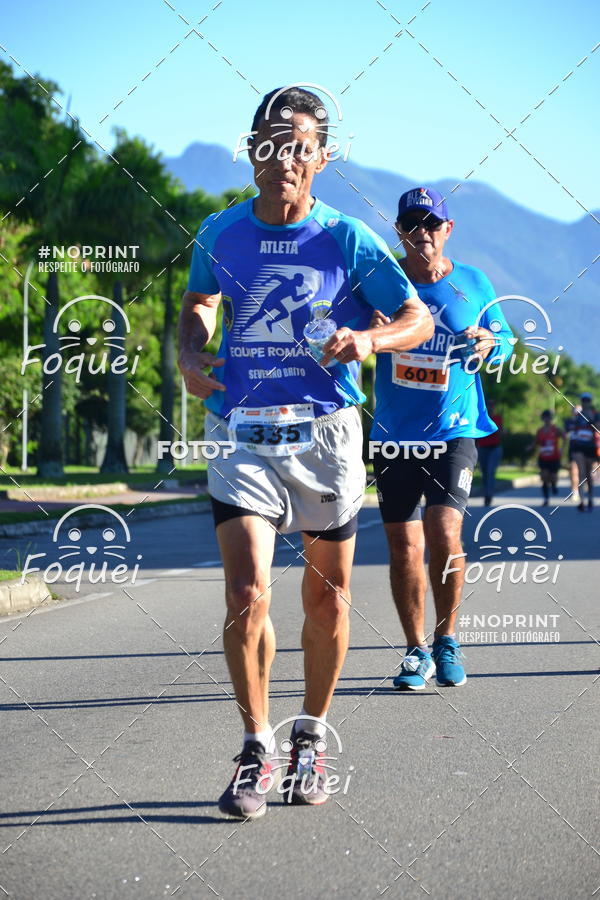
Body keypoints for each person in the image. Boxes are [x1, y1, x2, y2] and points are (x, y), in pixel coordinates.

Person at [178, 88, 433, 818]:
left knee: (324, 599)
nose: (284, 158)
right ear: (252, 148)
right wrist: (192, 354)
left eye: (300, 146)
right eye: (271, 142)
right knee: (244, 592)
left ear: (321, 156)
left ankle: (311, 737)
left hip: (326, 434)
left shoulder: (346, 239)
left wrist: (368, 339)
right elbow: (200, 303)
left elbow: (412, 316)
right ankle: (257, 747)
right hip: (244, 429)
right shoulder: (218, 233)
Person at [369, 186, 513, 691]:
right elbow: (341, 330)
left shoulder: (473, 282)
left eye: (432, 225)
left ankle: (447, 639)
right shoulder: (381, 282)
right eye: (412, 225)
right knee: (403, 545)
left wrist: (492, 342)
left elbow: (506, 337)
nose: (422, 234)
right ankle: (415, 650)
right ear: (400, 231)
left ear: (448, 231)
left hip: (456, 429)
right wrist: (370, 328)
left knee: (444, 532)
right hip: (393, 433)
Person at [568, 392, 599, 511]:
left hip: (590, 447)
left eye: (587, 401)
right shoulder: (578, 416)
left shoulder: (595, 415)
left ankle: (590, 499)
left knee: (588, 475)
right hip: (578, 447)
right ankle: (582, 501)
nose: (585, 403)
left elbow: (598, 428)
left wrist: (591, 420)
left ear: (590, 402)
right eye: (583, 400)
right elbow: (572, 428)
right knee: (581, 473)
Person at [528, 410, 563, 506]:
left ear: (551, 418)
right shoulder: (540, 431)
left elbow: (565, 437)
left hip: (554, 457)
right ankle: (546, 498)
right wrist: (530, 447)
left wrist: (562, 449)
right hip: (543, 457)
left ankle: (554, 485)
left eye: (549, 417)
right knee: (544, 476)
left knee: (553, 477)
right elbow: (536, 442)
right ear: (543, 418)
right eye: (545, 417)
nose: (547, 419)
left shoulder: (556, 429)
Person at [476, 398, 503, 505]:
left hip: (494, 448)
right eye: (488, 405)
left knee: (490, 472)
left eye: (492, 405)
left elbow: (499, 431)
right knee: (484, 472)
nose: (490, 408)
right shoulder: (480, 418)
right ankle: (486, 492)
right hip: (482, 447)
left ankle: (489, 495)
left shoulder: (497, 418)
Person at [564, 405, 583, 504]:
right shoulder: (568, 422)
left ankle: (582, 486)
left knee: (582, 471)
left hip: (585, 450)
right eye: (576, 412)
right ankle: (575, 492)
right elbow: (565, 435)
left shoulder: (586, 422)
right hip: (573, 449)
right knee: (573, 471)